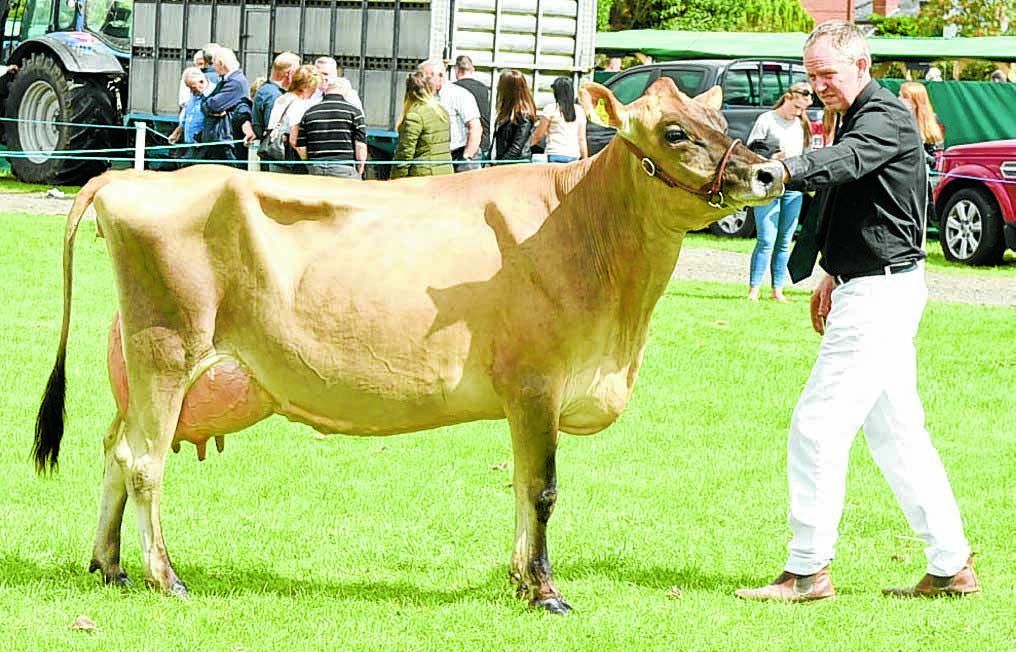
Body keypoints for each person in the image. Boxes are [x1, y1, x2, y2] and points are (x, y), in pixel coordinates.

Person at [735, 20, 977, 603]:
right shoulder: (858, 114)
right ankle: (951, 565)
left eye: (828, 74)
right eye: (811, 74)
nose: (818, 85)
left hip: (879, 296)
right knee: (898, 436)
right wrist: (827, 272)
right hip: (874, 286)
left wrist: (785, 170)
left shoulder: (884, 118)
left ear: (862, 66)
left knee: (816, 427)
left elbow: (843, 163)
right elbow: (852, 196)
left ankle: (807, 570)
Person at [744, 82, 814, 303]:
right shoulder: (767, 120)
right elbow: (750, 151)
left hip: (793, 186)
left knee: (784, 240)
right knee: (766, 239)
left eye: (803, 110)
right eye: (796, 107)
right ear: (788, 98)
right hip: (768, 185)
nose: (799, 113)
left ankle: (777, 290)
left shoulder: (802, 124)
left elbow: (807, 153)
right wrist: (771, 159)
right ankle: (753, 290)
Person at [294, 76, 367, 178]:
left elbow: (301, 147)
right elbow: (360, 145)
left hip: (316, 169)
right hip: (344, 169)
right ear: (345, 90)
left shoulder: (309, 112)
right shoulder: (354, 112)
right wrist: (360, 167)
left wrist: (310, 165)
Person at [419, 59, 482, 171]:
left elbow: (475, 128)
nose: (420, 81)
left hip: (461, 156)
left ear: (440, 75)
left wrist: (467, 157)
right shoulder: (423, 96)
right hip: (438, 157)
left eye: (424, 77)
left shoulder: (460, 95)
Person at [390, 72, 454, 179]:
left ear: (408, 91)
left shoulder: (414, 115)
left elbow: (405, 154)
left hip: (423, 176)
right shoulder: (441, 111)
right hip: (445, 173)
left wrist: (396, 179)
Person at [262, 64, 319, 173]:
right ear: (308, 87)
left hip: (275, 153)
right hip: (291, 158)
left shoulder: (282, 98)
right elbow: (294, 139)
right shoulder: (299, 103)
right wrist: (307, 162)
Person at [200, 47, 251, 164]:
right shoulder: (227, 81)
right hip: (218, 137)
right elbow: (204, 104)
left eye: (214, 64)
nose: (213, 68)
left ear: (221, 63)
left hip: (224, 138)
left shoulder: (235, 82)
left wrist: (210, 108)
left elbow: (212, 105)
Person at [248, 51, 301, 149]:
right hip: (275, 151)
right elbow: (272, 128)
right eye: (297, 73)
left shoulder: (265, 90)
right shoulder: (275, 96)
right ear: (289, 74)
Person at [530, 77, 587, 163]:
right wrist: (585, 159)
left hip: (554, 155)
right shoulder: (579, 111)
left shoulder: (550, 109)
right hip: (573, 157)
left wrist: (525, 148)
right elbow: (582, 139)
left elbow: (538, 136)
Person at [492, 69, 537, 164]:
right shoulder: (506, 112)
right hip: (504, 163)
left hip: (516, 166)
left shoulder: (524, 115)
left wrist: (499, 165)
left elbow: (516, 148)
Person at [453, 55, 491, 162]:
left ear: (457, 70)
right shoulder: (483, 88)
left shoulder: (454, 88)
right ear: (472, 69)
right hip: (483, 141)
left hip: (464, 145)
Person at [167, 67, 207, 165]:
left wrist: (203, 139)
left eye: (192, 87)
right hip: (190, 144)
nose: (190, 91)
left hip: (203, 146)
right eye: (188, 88)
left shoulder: (211, 96)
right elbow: (186, 116)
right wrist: (177, 133)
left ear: (202, 82)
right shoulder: (193, 96)